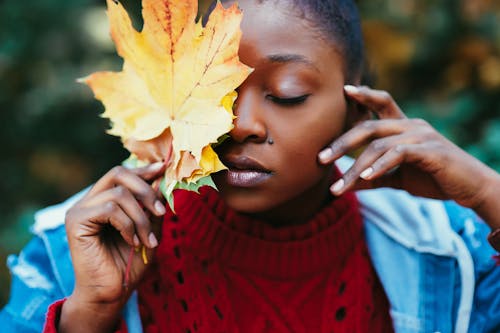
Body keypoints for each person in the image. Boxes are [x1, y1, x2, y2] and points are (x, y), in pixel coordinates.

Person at [2, 0, 500, 332]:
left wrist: (489, 196)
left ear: (357, 109)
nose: (239, 125)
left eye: (288, 94)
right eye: (215, 90)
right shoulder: (68, 252)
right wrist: (89, 314)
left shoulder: (450, 251)